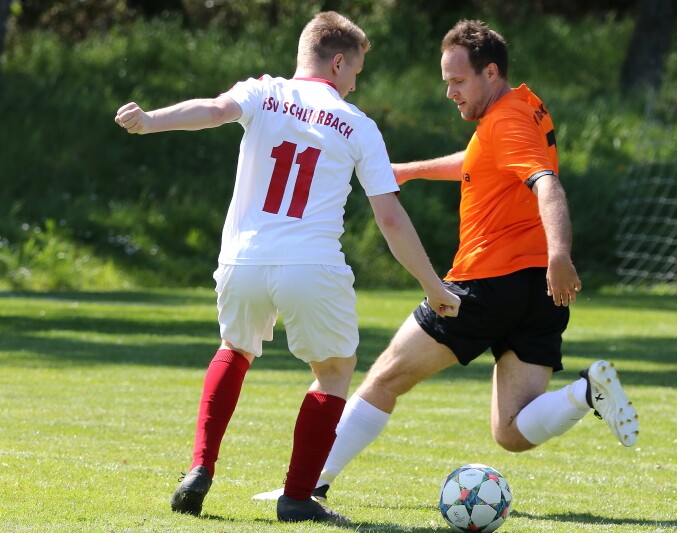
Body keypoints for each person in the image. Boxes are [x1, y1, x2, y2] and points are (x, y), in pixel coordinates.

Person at [254, 18, 639, 507]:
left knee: (385, 378)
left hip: (485, 283)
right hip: (536, 294)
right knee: (511, 432)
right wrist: (409, 171)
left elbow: (547, 183)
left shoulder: (505, 120)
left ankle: (308, 485)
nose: (450, 93)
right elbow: (481, 161)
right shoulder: (524, 106)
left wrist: (560, 253)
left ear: (490, 72)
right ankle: (586, 394)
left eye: (458, 81)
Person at [114, 11, 460, 524]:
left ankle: (201, 467)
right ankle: (297, 497)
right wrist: (433, 285)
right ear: (338, 62)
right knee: (335, 370)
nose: (354, 83)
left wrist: (150, 120)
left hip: (243, 258)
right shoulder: (357, 124)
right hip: (311, 264)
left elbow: (213, 110)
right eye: (355, 71)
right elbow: (389, 217)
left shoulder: (263, 91)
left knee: (235, 349)